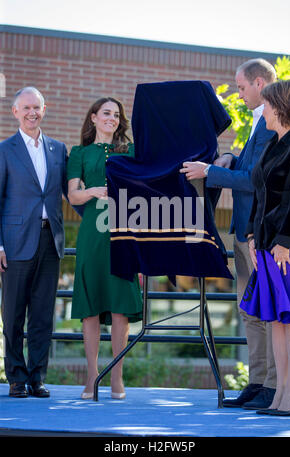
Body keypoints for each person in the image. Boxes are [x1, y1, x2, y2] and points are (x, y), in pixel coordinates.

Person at [180, 59, 277, 409]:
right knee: (250, 312)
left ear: (261, 83)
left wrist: (209, 171)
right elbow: (249, 167)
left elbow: (258, 179)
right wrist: (229, 159)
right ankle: (258, 382)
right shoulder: (257, 122)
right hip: (242, 231)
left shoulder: (273, 124)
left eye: (241, 86)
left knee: (268, 312)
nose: (239, 93)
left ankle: (274, 387)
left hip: (260, 235)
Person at [0, 86, 80, 398]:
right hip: (15, 242)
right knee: (14, 314)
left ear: (43, 110)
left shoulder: (58, 149)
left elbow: (71, 194)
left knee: (43, 314)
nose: (32, 113)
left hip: (51, 241)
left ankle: (37, 377)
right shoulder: (4, 150)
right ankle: (16, 378)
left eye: (37, 107)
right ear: (15, 112)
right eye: (26, 108)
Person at [67, 97, 143, 400]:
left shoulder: (130, 150)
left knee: (120, 306)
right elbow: (73, 196)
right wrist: (92, 191)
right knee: (91, 310)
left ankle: (117, 378)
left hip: (123, 232)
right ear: (94, 118)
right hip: (91, 236)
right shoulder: (79, 153)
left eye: (117, 115)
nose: (112, 118)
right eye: (107, 113)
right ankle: (91, 378)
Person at [240, 80, 290, 416]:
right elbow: (259, 192)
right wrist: (251, 235)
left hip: (288, 249)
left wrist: (285, 241)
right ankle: (280, 393)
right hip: (265, 246)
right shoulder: (274, 144)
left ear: (278, 106)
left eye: (265, 104)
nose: (261, 110)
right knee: (277, 319)